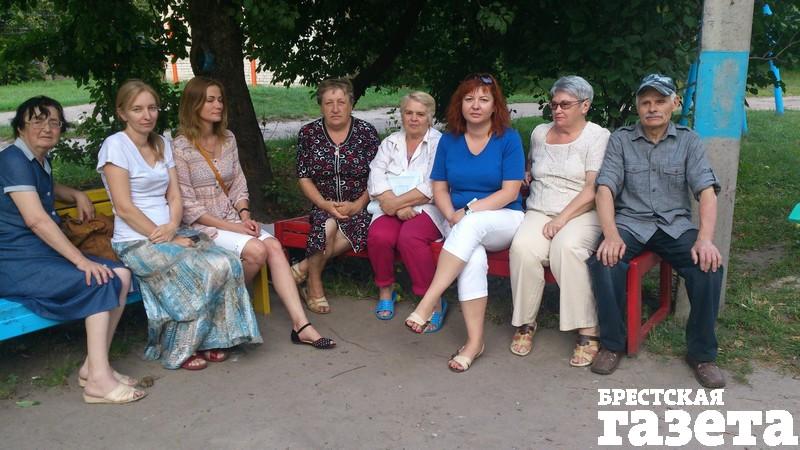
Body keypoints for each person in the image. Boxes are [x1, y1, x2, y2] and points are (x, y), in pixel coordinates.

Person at [97, 80, 262, 371]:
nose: (147, 115)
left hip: (171, 232)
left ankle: (214, 339)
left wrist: (173, 226)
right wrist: (165, 237)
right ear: (122, 113)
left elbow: (175, 195)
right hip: (137, 240)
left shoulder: (162, 143)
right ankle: (179, 345)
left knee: (226, 262)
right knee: (206, 268)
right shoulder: (115, 146)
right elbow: (124, 207)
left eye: (152, 108)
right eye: (137, 109)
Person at [0, 96, 145, 404]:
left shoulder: (37, 159)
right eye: (37, 121)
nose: (47, 128)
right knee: (97, 279)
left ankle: (94, 368)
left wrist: (76, 194)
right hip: (14, 262)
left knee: (121, 274)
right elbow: (36, 220)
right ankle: (98, 384)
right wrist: (81, 261)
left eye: (54, 122)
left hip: (39, 255)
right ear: (20, 127)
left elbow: (42, 189)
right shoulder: (12, 160)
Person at [172, 76, 333, 349]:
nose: (218, 105)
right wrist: (236, 227)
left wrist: (245, 215)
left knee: (273, 246)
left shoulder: (228, 138)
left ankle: (301, 325)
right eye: (210, 100)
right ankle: (231, 305)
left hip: (232, 218)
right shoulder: (180, 147)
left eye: (220, 99)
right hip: (201, 226)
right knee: (257, 251)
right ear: (193, 104)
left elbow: (238, 184)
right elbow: (188, 206)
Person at [588, 74, 725, 388]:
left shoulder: (689, 141)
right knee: (604, 262)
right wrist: (611, 235)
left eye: (660, 101)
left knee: (708, 268)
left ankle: (702, 355)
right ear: (637, 106)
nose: (652, 108)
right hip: (630, 223)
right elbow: (605, 188)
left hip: (674, 226)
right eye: (645, 102)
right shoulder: (621, 139)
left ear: (674, 104)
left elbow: (706, 191)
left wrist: (705, 239)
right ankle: (612, 344)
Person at [404, 73, 525, 372]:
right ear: (460, 105)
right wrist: (449, 215)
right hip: (457, 221)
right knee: (473, 258)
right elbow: (439, 187)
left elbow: (510, 192)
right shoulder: (450, 140)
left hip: (504, 218)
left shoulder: (508, 139)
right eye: (469, 99)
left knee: (471, 226)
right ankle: (474, 343)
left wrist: (467, 213)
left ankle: (429, 300)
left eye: (484, 99)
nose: (476, 105)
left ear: (495, 105)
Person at [508, 76, 610, 366]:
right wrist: (527, 173)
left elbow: (593, 189)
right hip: (540, 209)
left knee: (566, 247)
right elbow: (534, 165)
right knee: (523, 248)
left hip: (582, 212)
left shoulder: (597, 136)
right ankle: (525, 322)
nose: (557, 110)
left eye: (565, 104)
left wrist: (562, 219)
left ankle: (587, 328)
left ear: (585, 106)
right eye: (554, 105)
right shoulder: (540, 133)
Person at [291, 78, 380, 314]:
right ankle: (315, 286)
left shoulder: (366, 133)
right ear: (321, 106)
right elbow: (304, 176)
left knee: (363, 225)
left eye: (341, 102)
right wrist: (323, 204)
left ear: (351, 104)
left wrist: (358, 204)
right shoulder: (309, 133)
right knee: (326, 227)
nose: (335, 108)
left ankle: (302, 269)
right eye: (329, 103)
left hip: (361, 205)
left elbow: (379, 176)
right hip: (323, 204)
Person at [366, 91, 445, 322]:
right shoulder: (390, 142)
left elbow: (432, 185)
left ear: (430, 116)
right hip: (389, 205)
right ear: (401, 115)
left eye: (420, 114)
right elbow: (376, 176)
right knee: (379, 236)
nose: (413, 118)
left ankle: (432, 300)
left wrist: (396, 203)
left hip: (427, 208)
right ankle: (386, 290)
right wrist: (394, 205)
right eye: (408, 113)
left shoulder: (440, 144)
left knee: (410, 237)